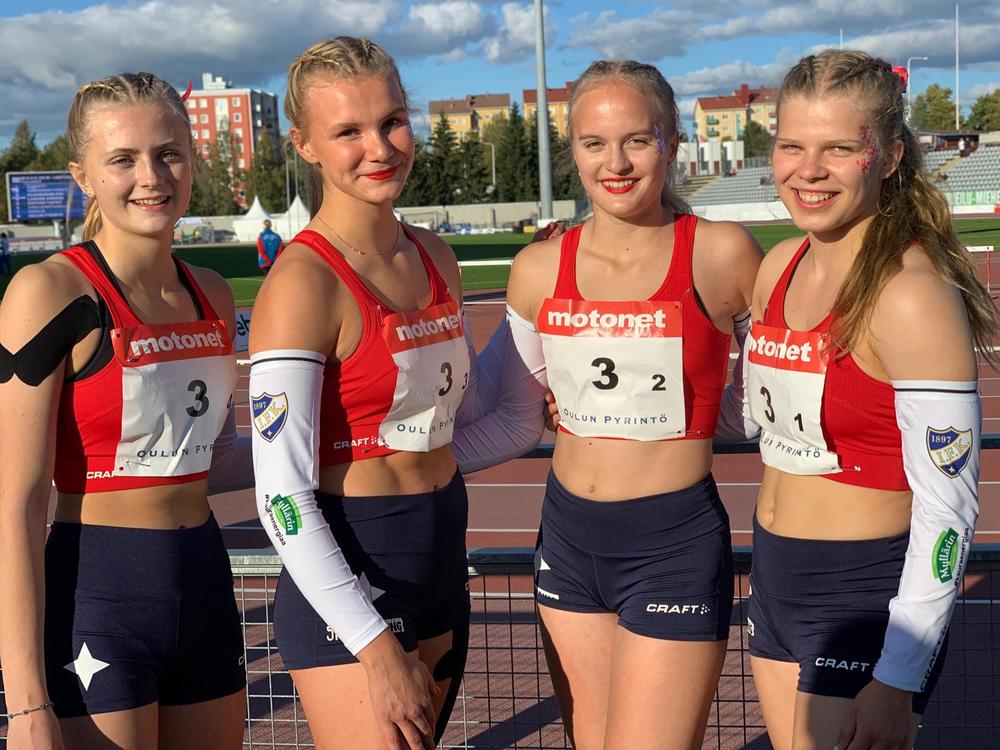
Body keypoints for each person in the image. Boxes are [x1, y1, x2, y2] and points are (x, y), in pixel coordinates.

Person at [248, 37, 544, 750]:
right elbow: (280, 494)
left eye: (392, 122)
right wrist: (375, 647)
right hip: (355, 569)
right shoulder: (302, 283)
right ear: (305, 145)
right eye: (348, 131)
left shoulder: (434, 256)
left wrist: (541, 291)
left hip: (440, 551)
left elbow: (469, 418)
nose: (379, 148)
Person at [486, 60, 762, 749]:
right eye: (594, 143)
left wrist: (704, 418)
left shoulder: (722, 253)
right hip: (567, 539)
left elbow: (769, 391)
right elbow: (516, 414)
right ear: (573, 149)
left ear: (672, 140)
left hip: (672, 542)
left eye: (637, 140)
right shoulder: (537, 268)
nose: (615, 163)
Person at [743, 50, 995, 750]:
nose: (808, 170)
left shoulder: (910, 295)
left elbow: (950, 507)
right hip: (774, 577)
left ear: (886, 158)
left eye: (837, 149)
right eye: (791, 146)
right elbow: (759, 411)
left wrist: (899, 673)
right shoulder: (779, 265)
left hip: (862, 595)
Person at [0, 73, 251, 749]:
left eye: (169, 154)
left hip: (204, 586)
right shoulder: (49, 292)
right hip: (99, 597)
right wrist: (25, 705)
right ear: (83, 177)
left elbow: (211, 457)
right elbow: (17, 504)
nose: (151, 177)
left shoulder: (214, 295)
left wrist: (355, 442)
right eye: (123, 159)